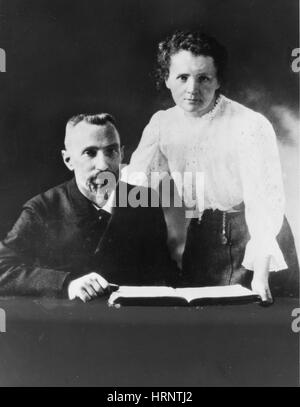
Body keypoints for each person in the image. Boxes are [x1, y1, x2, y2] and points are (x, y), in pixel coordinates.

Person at [124, 29, 299, 302]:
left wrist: (261, 273)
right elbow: (135, 186)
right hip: (202, 237)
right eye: (183, 77)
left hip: (255, 237)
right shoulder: (161, 124)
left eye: (204, 78)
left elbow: (263, 203)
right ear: (167, 79)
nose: (192, 89)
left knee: (256, 327)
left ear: (218, 81)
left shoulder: (249, 125)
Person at [0, 113, 178, 302]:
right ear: (68, 160)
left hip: (130, 325)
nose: (103, 165)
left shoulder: (145, 200)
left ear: (122, 154)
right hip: (67, 326)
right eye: (90, 153)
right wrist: (66, 284)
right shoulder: (42, 209)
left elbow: (161, 272)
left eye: (111, 151)